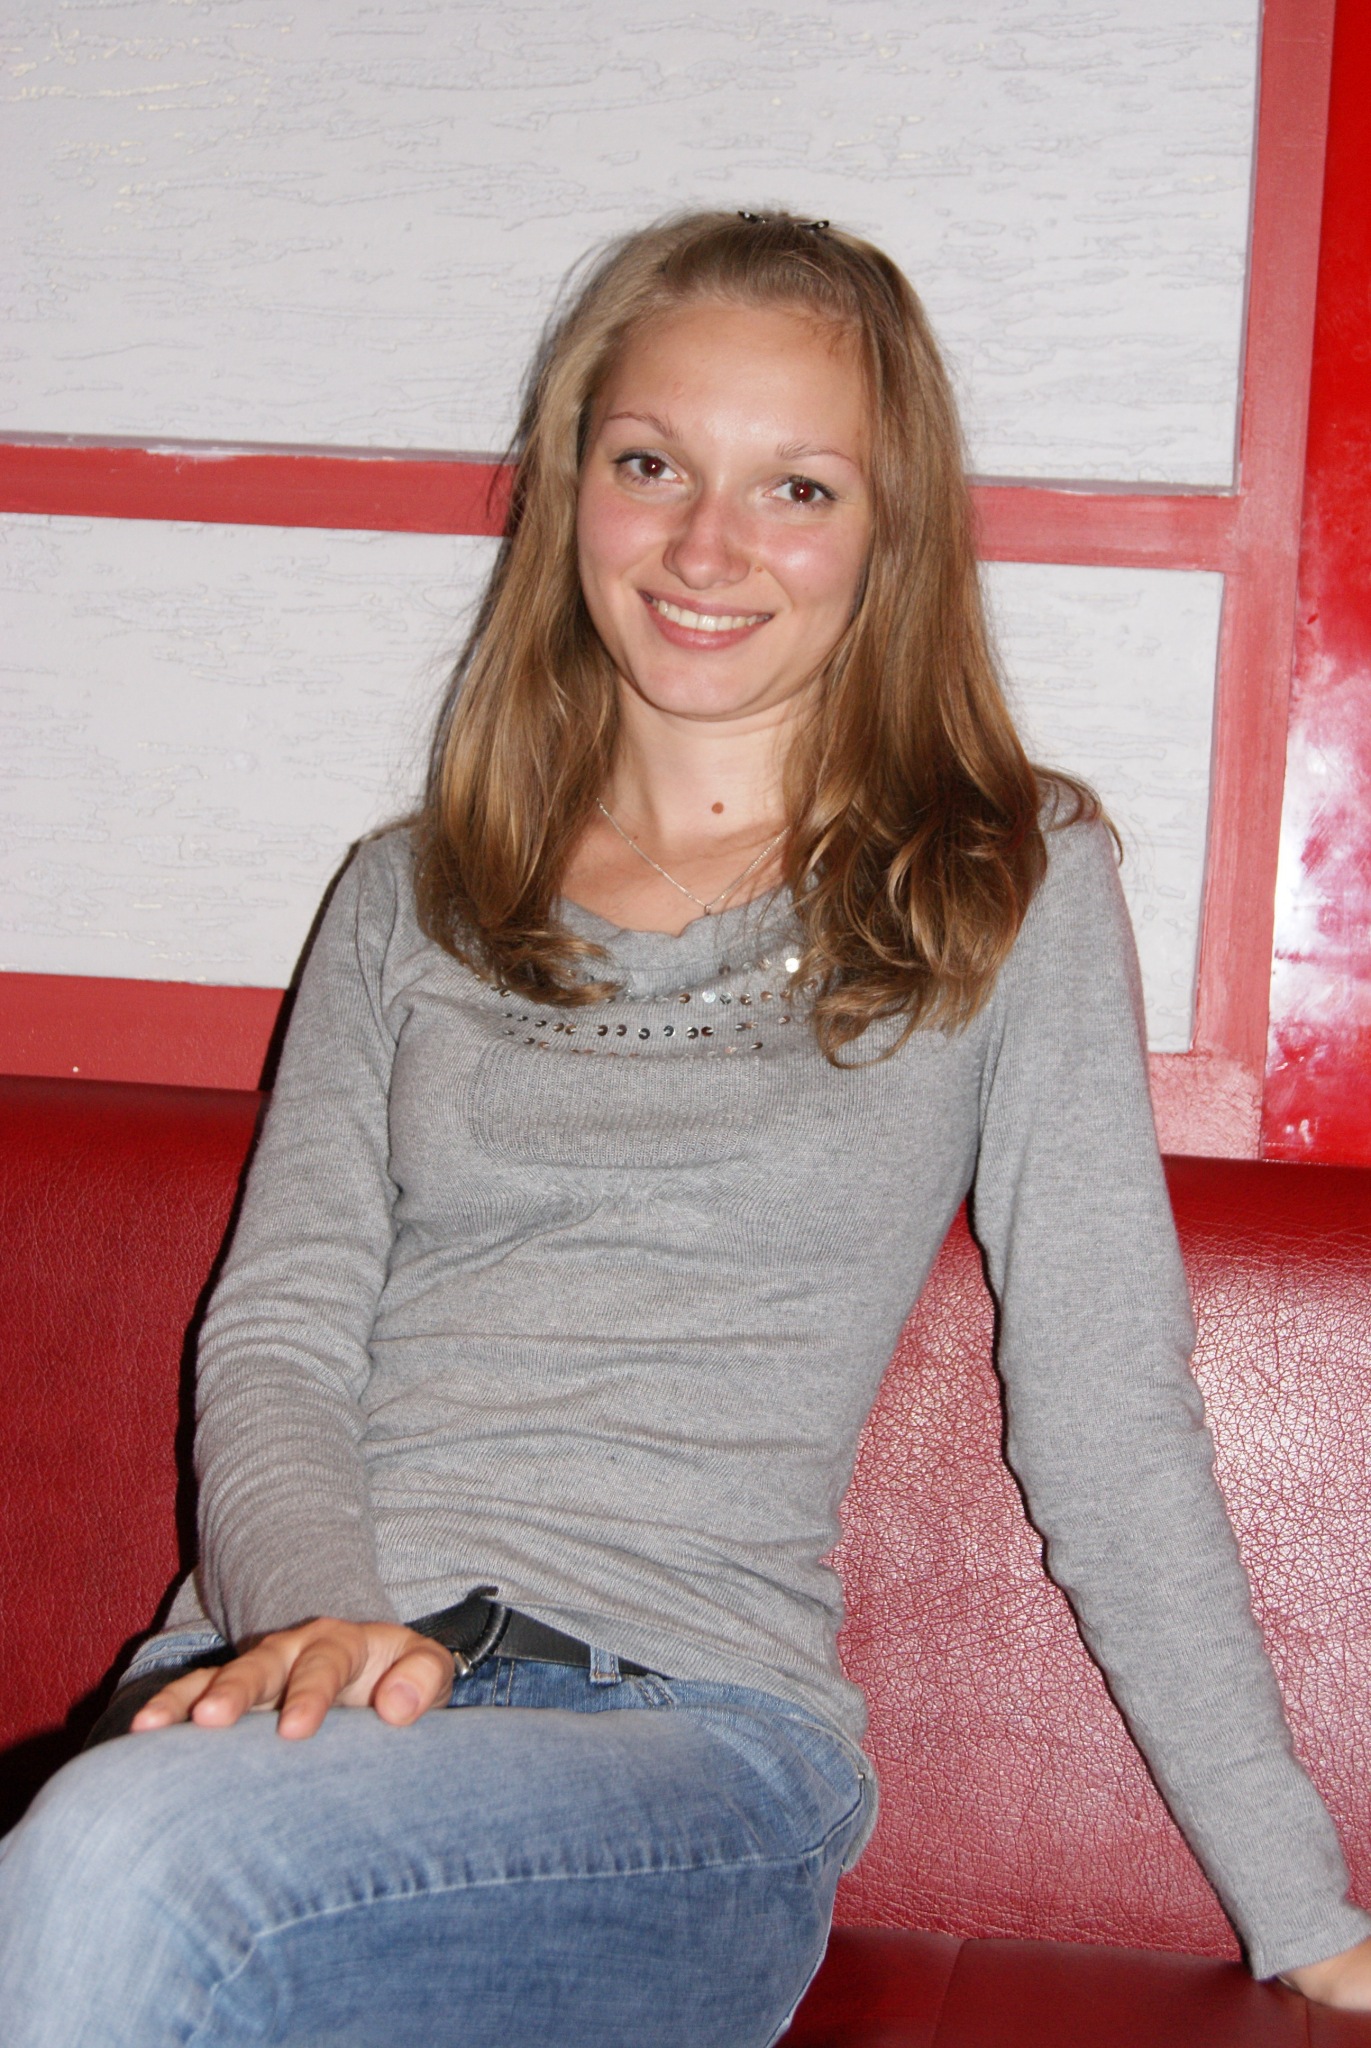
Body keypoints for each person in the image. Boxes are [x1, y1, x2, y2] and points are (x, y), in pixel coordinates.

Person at [1, 209, 1368, 2044]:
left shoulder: (1000, 882)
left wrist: (1303, 1908)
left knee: (122, 1866)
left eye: (797, 488)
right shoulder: (413, 893)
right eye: (652, 464)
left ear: (889, 535)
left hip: (675, 1744)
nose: (708, 546)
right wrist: (317, 1626)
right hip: (274, 1697)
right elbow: (281, 1334)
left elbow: (1103, 1405)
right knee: (136, 1865)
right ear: (575, 487)